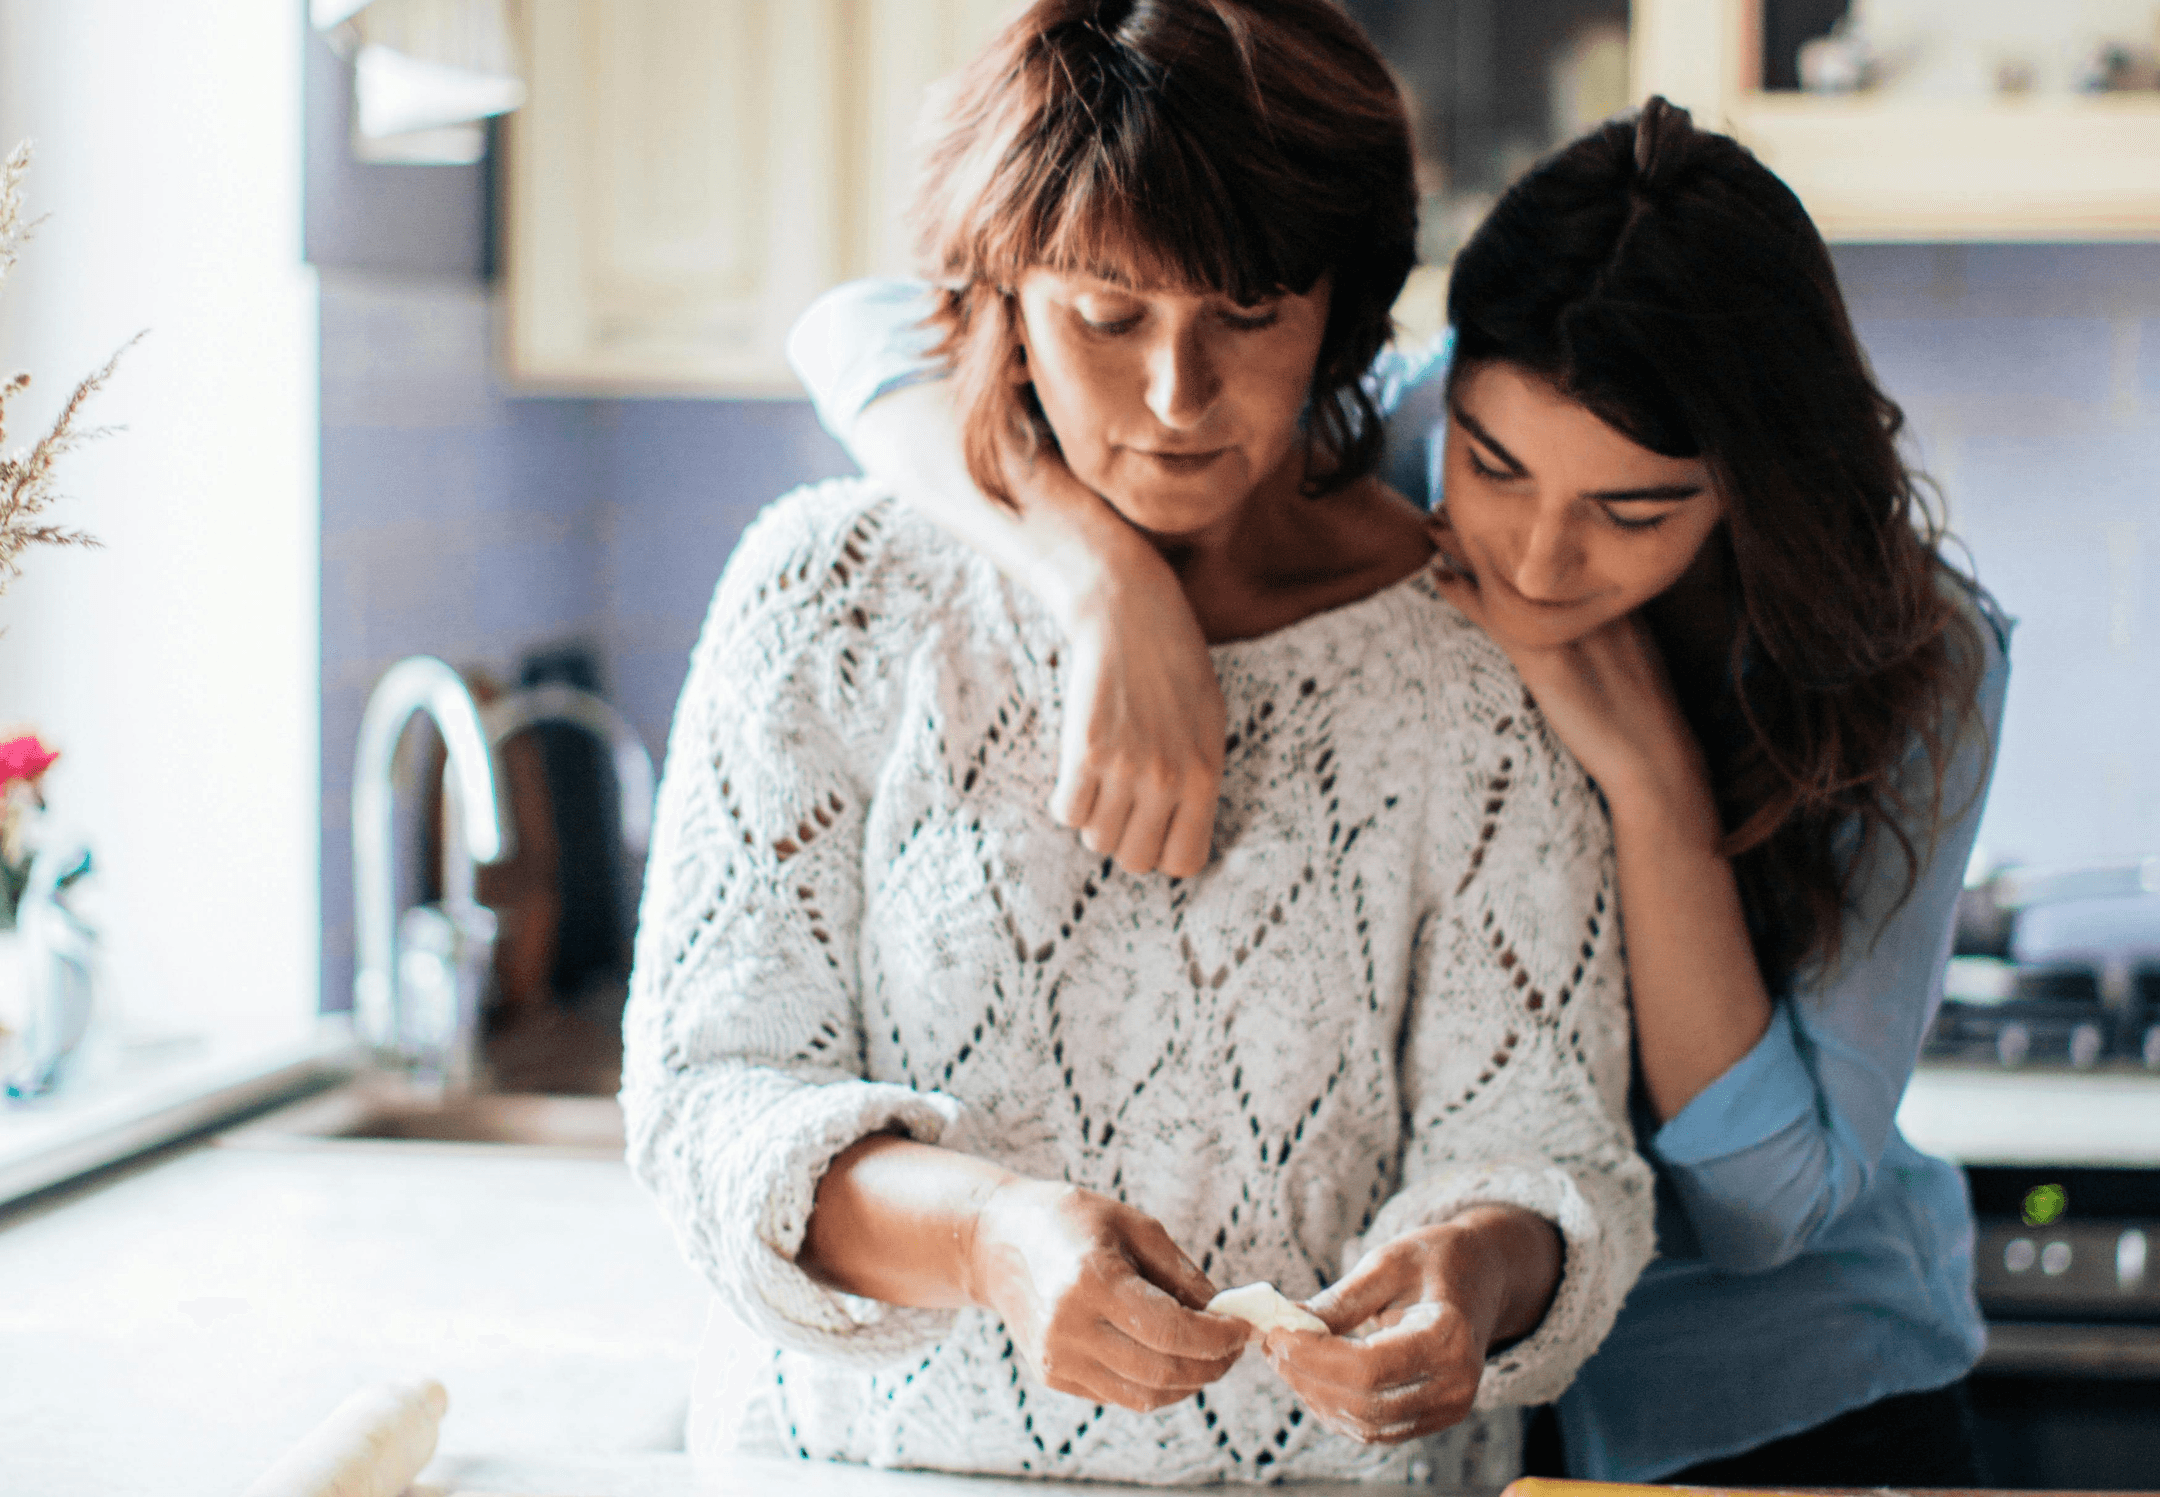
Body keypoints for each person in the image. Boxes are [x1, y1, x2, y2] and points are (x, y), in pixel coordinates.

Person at [787, 95, 2011, 1487]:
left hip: (1773, 1406)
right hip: (1437, 1421)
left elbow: (1767, 1207)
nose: (1543, 560)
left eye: (1637, 510)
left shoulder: (1917, 657)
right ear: (1451, 385)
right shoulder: (1387, 431)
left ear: (1747, 487)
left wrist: (1652, 786)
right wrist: (1099, 584)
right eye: (1494, 469)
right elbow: (866, 331)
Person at [621, 1, 1654, 1487]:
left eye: (1248, 315)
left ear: (1345, 307)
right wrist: (989, 1240)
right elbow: (713, 1104)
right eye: (1109, 317)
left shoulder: (1472, 662)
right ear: (1006, 299)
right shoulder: (831, 595)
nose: (1178, 399)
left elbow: (1554, 1149)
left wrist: (1475, 1278)